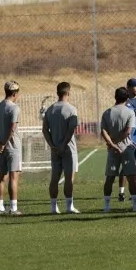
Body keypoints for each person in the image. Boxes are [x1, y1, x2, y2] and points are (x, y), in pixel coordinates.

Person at [42, 82, 80, 215]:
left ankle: (54, 207)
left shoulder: (50, 109)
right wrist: (64, 144)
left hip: (55, 149)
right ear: (68, 93)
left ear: (57, 93)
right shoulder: (71, 109)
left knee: (55, 177)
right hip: (68, 148)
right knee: (69, 178)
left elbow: (45, 130)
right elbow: (71, 130)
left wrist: (52, 145)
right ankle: (69, 206)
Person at [101, 87, 136, 212]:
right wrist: (118, 143)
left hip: (112, 150)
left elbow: (103, 131)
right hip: (126, 148)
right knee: (131, 177)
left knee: (110, 178)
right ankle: (135, 205)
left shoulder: (107, 113)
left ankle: (107, 206)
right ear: (127, 98)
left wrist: (112, 144)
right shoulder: (130, 112)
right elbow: (128, 131)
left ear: (115, 97)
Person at [0, 81, 23, 215]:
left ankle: (0, 207)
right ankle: (13, 208)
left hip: (2, 148)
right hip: (13, 147)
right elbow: (12, 128)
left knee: (2, 177)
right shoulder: (14, 108)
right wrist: (4, 143)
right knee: (13, 177)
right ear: (15, 93)